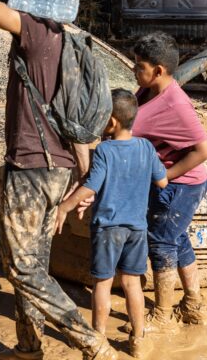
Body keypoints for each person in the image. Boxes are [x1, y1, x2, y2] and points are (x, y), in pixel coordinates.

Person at [0, 0, 116, 360]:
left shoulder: (34, 30)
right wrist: (82, 179)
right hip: (58, 172)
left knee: (21, 268)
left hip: (31, 169)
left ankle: (91, 343)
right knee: (34, 266)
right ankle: (29, 348)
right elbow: (77, 122)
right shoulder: (67, 41)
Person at [56, 89, 167, 359]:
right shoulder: (145, 147)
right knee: (132, 284)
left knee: (102, 284)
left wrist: (64, 207)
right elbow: (162, 181)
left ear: (113, 121)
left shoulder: (105, 150)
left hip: (107, 228)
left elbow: (91, 186)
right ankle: (138, 340)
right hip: (137, 228)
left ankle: (98, 340)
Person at [131, 32, 207, 331]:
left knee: (161, 243)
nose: (134, 71)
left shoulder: (174, 103)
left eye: (139, 66)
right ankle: (193, 305)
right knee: (177, 240)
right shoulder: (149, 91)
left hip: (181, 186)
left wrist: (166, 175)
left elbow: (204, 150)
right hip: (173, 184)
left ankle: (163, 315)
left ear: (159, 70)